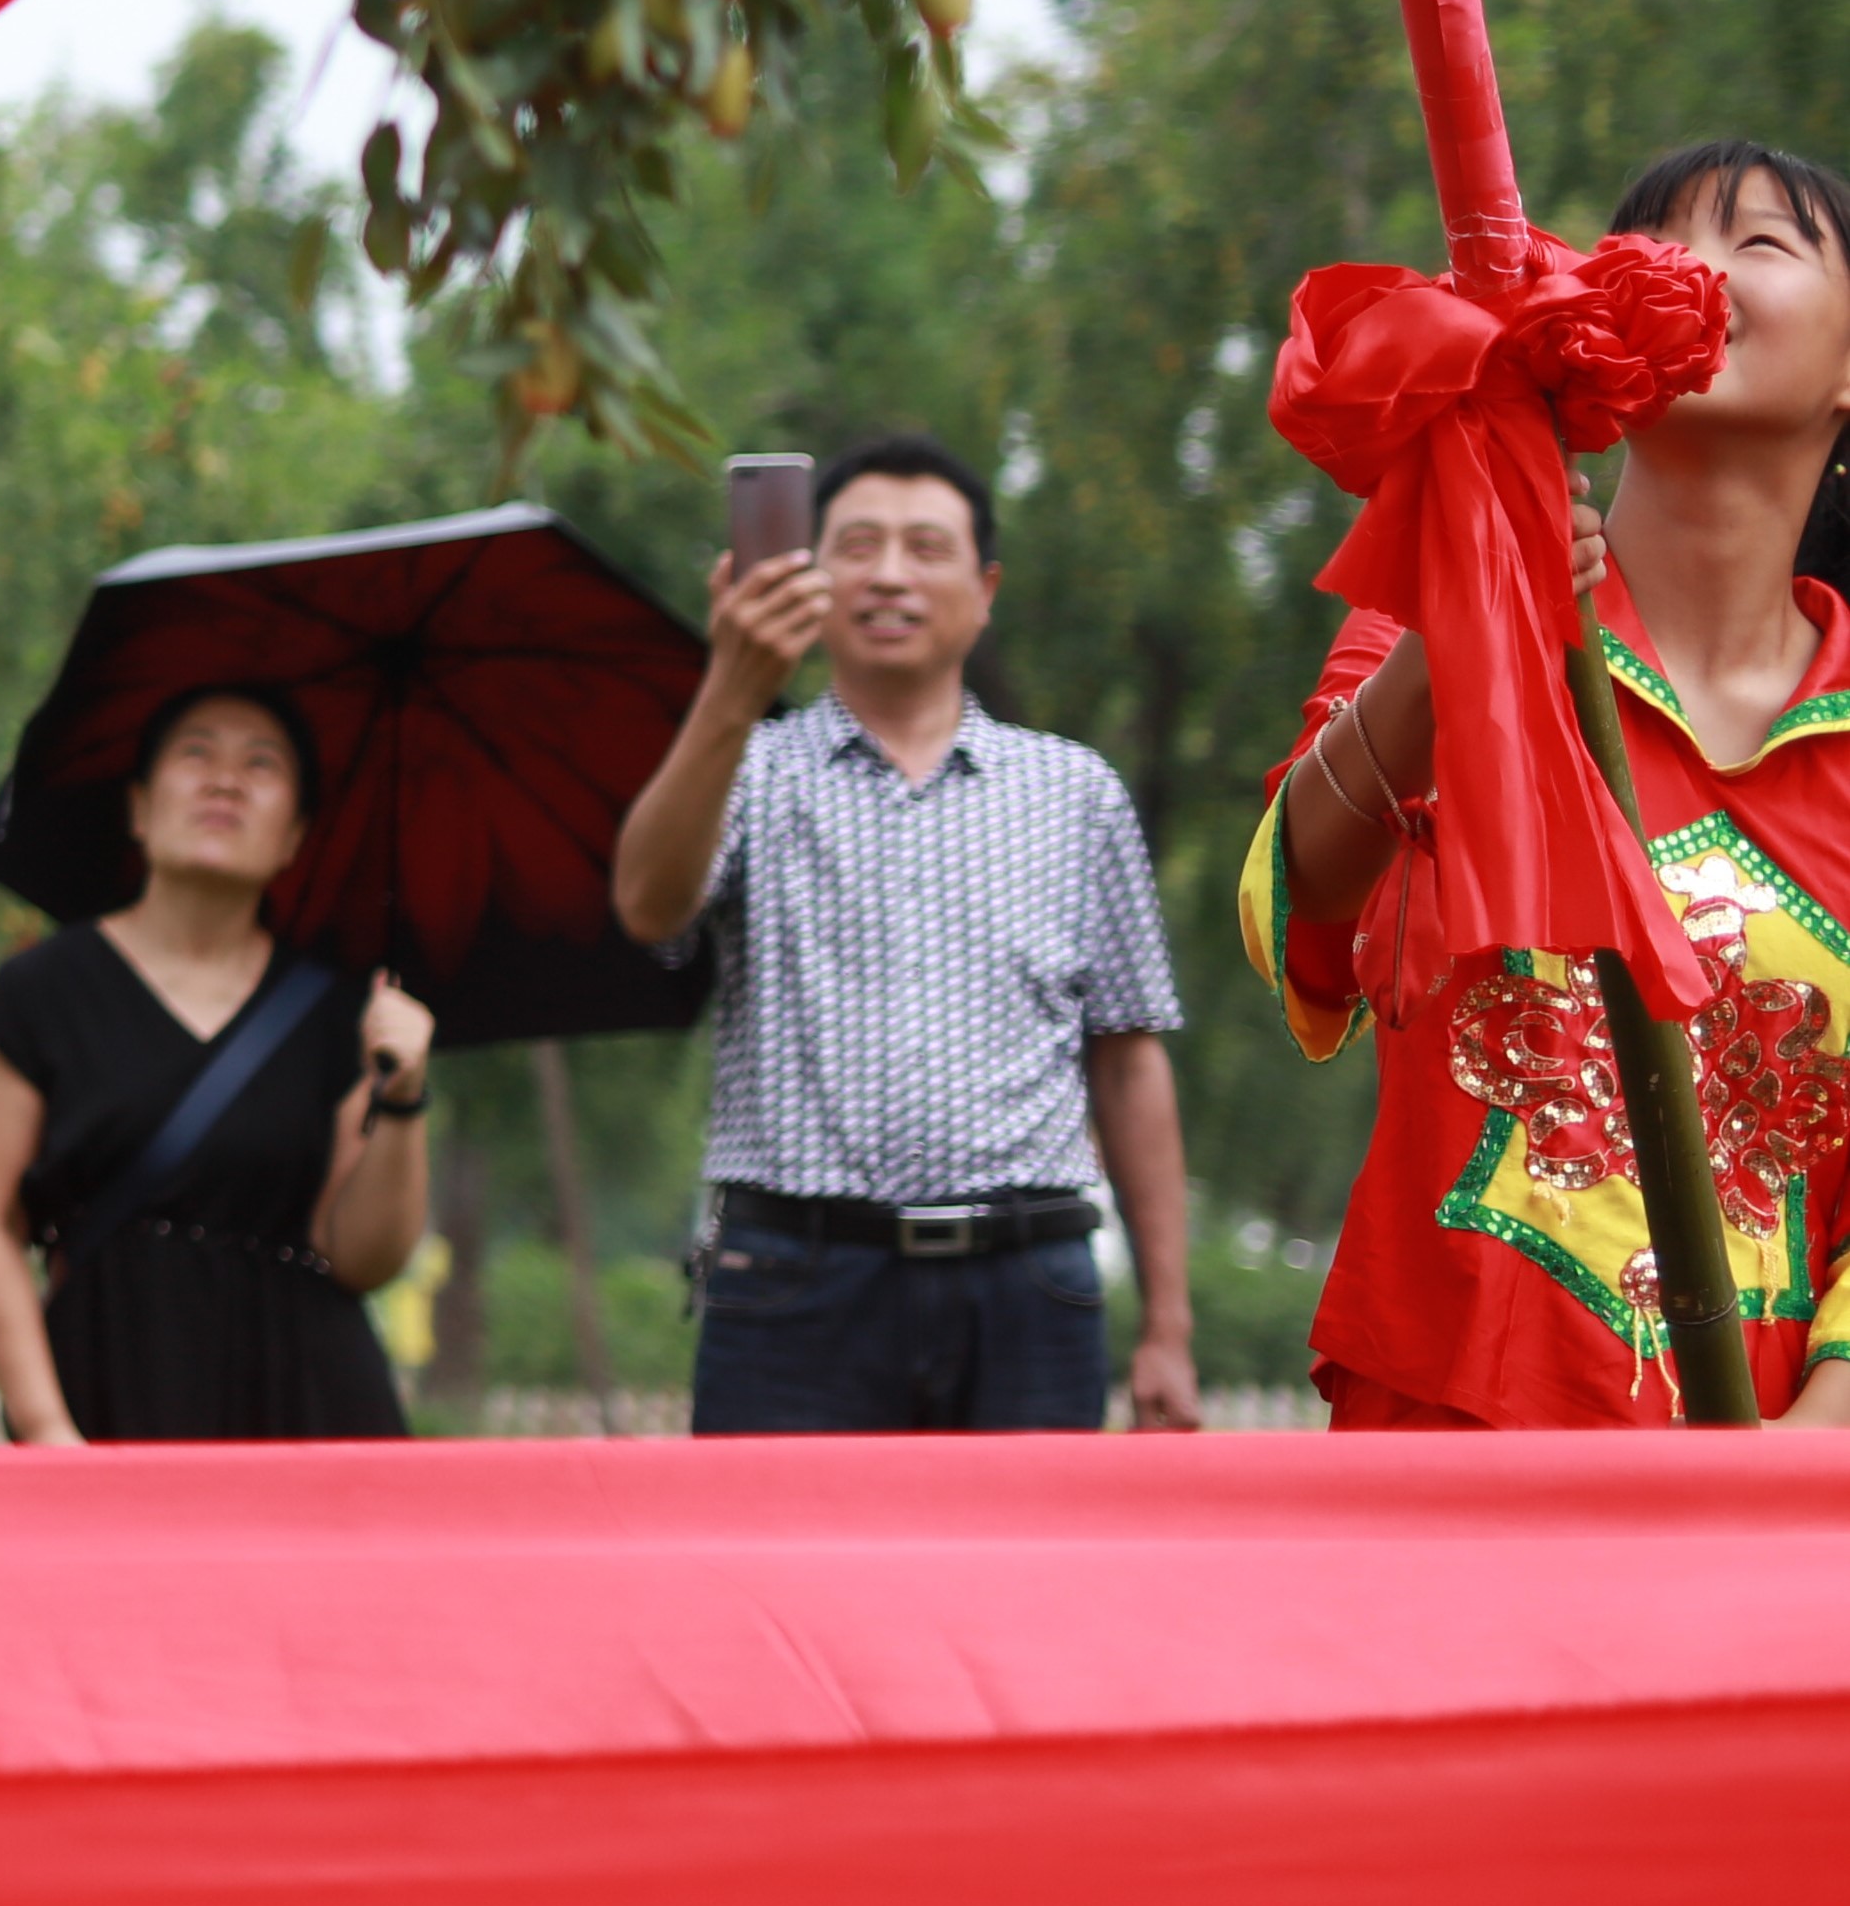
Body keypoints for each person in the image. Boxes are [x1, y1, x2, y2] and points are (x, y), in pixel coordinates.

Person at [1249, 140, 1850, 1428]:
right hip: (1442, 1447)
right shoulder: (1435, 603)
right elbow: (1296, 907)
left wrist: (1814, 1439)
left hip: (1747, 1495)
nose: (1695, 263)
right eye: (1658, 239)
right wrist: (1472, 625)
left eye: (1758, 241)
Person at [606, 432, 1193, 1433]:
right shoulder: (746, 767)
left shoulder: (1072, 790)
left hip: (1028, 1281)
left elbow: (1127, 1058)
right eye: (856, 544)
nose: (886, 573)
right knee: (775, 1587)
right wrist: (728, 687)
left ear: (985, 585)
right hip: (791, 1280)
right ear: (803, 572)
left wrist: (1167, 1326)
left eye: (924, 547)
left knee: (1017, 1589)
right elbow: (645, 905)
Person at [0, 689, 439, 1443]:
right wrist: (44, 1425)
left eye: (262, 765)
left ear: (294, 836)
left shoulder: (340, 1011)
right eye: (196, 753)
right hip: (105, 1387)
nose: (226, 780)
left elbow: (363, 1258)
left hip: (308, 1404)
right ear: (140, 809)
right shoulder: (40, 993)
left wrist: (403, 1096)